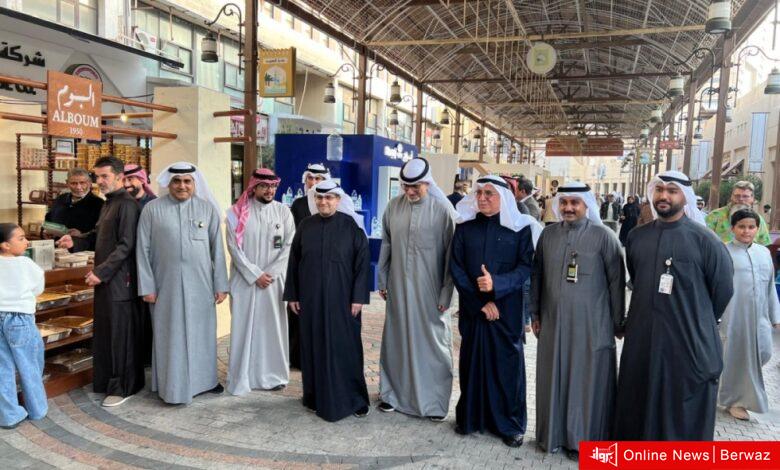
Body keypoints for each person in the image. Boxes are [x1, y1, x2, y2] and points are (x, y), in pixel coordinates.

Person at [614, 170, 733, 441]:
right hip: (643, 338)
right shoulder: (637, 237)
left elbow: (723, 291)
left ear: (685, 196)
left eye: (672, 190)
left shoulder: (706, 240)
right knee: (639, 399)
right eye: (659, 190)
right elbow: (637, 279)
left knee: (679, 409)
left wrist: (698, 320)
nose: (664, 196)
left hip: (687, 340)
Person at [530, 182, 625, 460]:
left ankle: (584, 441)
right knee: (553, 377)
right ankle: (553, 436)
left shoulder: (604, 237)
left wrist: (617, 322)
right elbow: (537, 277)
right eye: (564, 203)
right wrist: (535, 314)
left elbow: (617, 284)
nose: (568, 208)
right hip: (553, 322)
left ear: (586, 205)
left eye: (575, 203)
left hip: (592, 324)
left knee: (586, 381)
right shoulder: (548, 235)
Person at [450, 175, 540, 448]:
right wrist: (480, 302)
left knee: (506, 370)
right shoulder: (465, 228)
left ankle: (509, 426)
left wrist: (496, 284)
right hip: (474, 310)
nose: (482, 198)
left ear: (505, 197)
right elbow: (457, 268)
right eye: (479, 193)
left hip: (506, 311)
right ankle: (470, 419)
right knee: (472, 365)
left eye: (489, 193)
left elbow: (526, 268)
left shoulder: (521, 229)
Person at [136, 162, 229, 405]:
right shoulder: (152, 209)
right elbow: (142, 250)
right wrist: (147, 287)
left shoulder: (206, 209)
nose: (182, 186)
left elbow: (217, 250)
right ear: (169, 183)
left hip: (201, 286)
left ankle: (205, 382)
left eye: (187, 181)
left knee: (202, 334)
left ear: (194, 183)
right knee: (170, 336)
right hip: (164, 287)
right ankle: (172, 387)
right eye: (177, 181)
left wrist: (221, 284)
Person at [57, 157, 143, 407]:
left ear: (120, 177)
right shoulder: (109, 203)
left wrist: (101, 272)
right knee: (106, 333)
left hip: (121, 282)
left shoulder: (127, 205)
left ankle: (124, 387)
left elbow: (126, 245)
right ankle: (107, 382)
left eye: (105, 176)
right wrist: (76, 242)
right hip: (107, 281)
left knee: (121, 335)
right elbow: (97, 236)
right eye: (97, 176)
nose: (100, 181)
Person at [283, 180, 371, 422]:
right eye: (319, 198)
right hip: (311, 300)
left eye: (329, 198)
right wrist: (293, 294)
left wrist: (358, 297)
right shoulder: (305, 226)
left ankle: (354, 399)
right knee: (314, 347)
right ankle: (314, 397)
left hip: (343, 302)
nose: (323, 202)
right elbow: (294, 262)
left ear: (338, 200)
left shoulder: (351, 226)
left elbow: (362, 264)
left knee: (346, 348)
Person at [377, 158, 456, 421]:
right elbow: (386, 246)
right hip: (398, 287)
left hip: (431, 291)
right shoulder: (393, 207)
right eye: (406, 186)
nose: (410, 191)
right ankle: (392, 396)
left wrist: (446, 293)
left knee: (433, 345)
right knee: (396, 341)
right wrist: (382, 280)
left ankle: (434, 404)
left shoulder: (442, 211)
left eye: (416, 187)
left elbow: (451, 257)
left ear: (428, 183)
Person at [225, 169, 295, 395]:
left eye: (273, 186)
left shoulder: (283, 212)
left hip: (274, 282)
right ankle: (242, 377)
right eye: (264, 186)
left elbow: (289, 246)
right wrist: (255, 274)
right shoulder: (235, 213)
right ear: (253, 187)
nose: (269, 190)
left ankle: (274, 376)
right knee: (244, 329)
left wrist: (270, 274)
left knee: (272, 328)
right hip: (245, 281)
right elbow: (233, 248)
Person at [718, 209, 780, 420]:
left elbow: (770, 287)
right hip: (733, 317)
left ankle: (734, 395)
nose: (746, 231)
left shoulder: (764, 253)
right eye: (742, 227)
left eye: (751, 227)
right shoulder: (723, 252)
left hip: (759, 318)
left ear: (757, 228)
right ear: (733, 228)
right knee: (735, 357)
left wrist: (776, 317)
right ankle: (734, 401)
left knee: (764, 352)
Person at [0, 223, 47, 429]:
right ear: (5, 245)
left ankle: (9, 416)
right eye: (20, 238)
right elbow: (38, 288)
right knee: (30, 365)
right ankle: (37, 409)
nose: (26, 242)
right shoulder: (26, 264)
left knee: (2, 368)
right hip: (20, 319)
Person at [287, 163, 330, 369]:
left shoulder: (332, 202)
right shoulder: (298, 204)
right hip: (303, 266)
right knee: (299, 313)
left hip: (327, 267)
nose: (313, 182)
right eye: (310, 179)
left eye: (318, 179)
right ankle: (298, 358)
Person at [122, 163, 157, 367]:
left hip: (149, 269)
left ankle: (149, 359)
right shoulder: (121, 204)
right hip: (127, 269)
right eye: (124, 180)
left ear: (142, 180)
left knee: (148, 316)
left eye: (131, 179)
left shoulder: (153, 205)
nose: (127, 184)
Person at [706, 181, 771, 245]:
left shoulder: (759, 219)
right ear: (731, 196)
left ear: (752, 198)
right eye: (737, 196)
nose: (741, 199)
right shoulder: (715, 216)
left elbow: (765, 245)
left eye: (745, 196)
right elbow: (704, 240)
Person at [44, 167, 103, 236]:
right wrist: (46, 231)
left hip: (82, 243)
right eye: (74, 183)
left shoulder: (99, 204)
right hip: (57, 242)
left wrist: (82, 235)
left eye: (82, 183)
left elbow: (102, 232)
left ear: (90, 183)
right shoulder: (60, 199)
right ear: (67, 183)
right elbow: (47, 222)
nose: (78, 187)